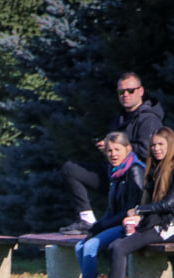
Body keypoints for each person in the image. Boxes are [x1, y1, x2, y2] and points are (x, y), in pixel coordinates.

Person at [59, 72, 163, 234]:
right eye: (121, 92)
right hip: (114, 175)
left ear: (141, 91)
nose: (125, 95)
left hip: (135, 181)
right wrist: (108, 148)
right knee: (70, 169)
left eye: (130, 91)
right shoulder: (119, 120)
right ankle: (86, 219)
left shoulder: (149, 120)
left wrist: (118, 147)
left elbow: (146, 151)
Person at [57, 132, 145, 278]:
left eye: (117, 150)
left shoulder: (134, 170)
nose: (113, 154)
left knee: (90, 245)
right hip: (115, 221)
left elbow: (131, 209)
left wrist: (102, 226)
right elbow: (112, 208)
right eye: (109, 151)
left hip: (130, 226)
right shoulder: (115, 171)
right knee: (80, 246)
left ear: (128, 149)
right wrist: (97, 226)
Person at [90, 127, 174, 278]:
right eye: (153, 145)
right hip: (153, 222)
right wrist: (138, 216)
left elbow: (169, 204)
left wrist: (138, 210)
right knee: (114, 246)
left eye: (161, 144)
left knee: (120, 248)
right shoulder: (155, 169)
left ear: (170, 145)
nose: (156, 149)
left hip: (168, 226)